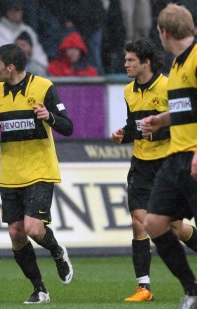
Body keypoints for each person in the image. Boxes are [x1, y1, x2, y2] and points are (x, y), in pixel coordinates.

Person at [0, 43, 74, 304]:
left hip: (40, 169)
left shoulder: (43, 87)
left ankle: (56, 251)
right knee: (16, 234)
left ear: (10, 67)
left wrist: (49, 116)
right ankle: (40, 289)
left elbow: (68, 127)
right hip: (10, 172)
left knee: (32, 228)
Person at [112, 37, 197, 303]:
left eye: (130, 60)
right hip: (140, 164)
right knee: (140, 222)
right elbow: (134, 124)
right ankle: (143, 288)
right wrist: (122, 134)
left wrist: (153, 133)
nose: (125, 64)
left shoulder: (168, 85)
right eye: (125, 59)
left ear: (146, 62)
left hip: (167, 162)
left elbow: (179, 124)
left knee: (175, 228)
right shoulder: (128, 91)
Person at [140, 3, 197, 308]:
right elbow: (186, 107)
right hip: (176, 159)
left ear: (164, 32)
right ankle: (192, 289)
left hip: (194, 156)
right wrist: (160, 120)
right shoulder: (177, 65)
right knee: (155, 223)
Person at [0, 0, 48, 70]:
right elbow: (3, 54)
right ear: (7, 12)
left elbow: (38, 53)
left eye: (17, 10)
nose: (15, 13)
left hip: (30, 67)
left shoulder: (28, 30)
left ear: (21, 12)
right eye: (11, 11)